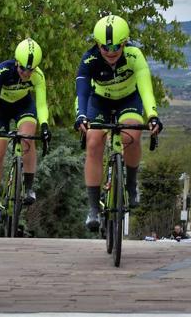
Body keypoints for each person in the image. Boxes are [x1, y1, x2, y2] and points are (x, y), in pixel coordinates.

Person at [74, 14, 162, 230]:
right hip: (99, 101)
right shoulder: (89, 60)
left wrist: (152, 115)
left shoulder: (134, 55)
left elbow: (146, 89)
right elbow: (82, 93)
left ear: (125, 43)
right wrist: (81, 116)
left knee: (131, 135)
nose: (111, 52)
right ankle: (94, 208)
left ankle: (131, 184)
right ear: (97, 44)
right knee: (94, 142)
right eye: (105, 48)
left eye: (116, 47)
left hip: (128, 100)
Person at [0, 38, 50, 223]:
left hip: (23, 106)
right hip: (0, 108)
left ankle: (29, 187)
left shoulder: (38, 76)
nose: (27, 73)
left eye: (31, 70)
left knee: (28, 138)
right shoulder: (2, 71)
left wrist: (44, 124)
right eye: (23, 69)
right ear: (16, 63)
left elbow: (41, 104)